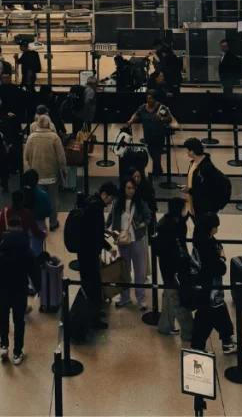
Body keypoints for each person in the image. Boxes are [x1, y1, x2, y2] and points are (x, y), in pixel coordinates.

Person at [0, 212, 40, 366]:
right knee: (19, 320)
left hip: (3, 289)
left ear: (8, 228)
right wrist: (37, 287)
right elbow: (34, 269)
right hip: (20, 288)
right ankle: (17, 352)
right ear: (21, 228)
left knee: (3, 314)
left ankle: (4, 346)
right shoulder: (26, 249)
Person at [190, 214, 240, 355]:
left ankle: (226, 341)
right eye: (216, 226)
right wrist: (222, 258)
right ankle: (198, 346)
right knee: (207, 317)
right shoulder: (207, 247)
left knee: (218, 313)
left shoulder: (201, 240)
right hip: (209, 289)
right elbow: (218, 268)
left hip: (205, 288)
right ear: (211, 228)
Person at [75, 182, 118, 330]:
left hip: (84, 251)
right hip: (89, 253)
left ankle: (94, 313)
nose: (109, 203)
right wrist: (109, 247)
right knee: (93, 286)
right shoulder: (96, 208)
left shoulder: (90, 201)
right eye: (109, 199)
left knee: (90, 284)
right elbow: (96, 235)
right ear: (104, 194)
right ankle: (93, 319)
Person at [106, 178, 151, 311]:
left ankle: (140, 298)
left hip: (136, 239)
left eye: (132, 188)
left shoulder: (140, 202)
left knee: (139, 271)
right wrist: (105, 227)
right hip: (122, 239)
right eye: (128, 188)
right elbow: (111, 217)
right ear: (123, 189)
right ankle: (125, 297)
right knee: (124, 270)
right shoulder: (117, 202)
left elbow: (148, 217)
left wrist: (142, 224)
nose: (131, 191)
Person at [154, 198, 194, 339]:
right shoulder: (173, 228)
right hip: (174, 270)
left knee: (169, 296)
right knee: (179, 300)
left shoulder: (168, 222)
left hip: (167, 269)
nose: (186, 211)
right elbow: (177, 250)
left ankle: (165, 326)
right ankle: (189, 332)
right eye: (184, 208)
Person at [24, 114, 66, 231]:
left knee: (37, 199)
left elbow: (26, 156)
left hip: (37, 175)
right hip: (52, 175)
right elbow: (61, 158)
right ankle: (53, 223)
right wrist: (64, 171)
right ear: (49, 124)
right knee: (53, 199)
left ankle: (37, 223)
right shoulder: (54, 137)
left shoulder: (31, 137)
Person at [125, 89, 172, 179]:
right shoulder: (143, 107)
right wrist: (131, 120)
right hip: (148, 135)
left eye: (151, 98)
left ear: (155, 99)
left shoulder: (161, 108)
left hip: (159, 135)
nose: (149, 100)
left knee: (157, 153)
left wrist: (161, 118)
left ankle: (156, 173)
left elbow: (169, 119)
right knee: (151, 152)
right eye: (148, 98)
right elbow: (136, 114)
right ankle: (158, 169)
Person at [182, 139, 228, 218]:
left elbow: (206, 190)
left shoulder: (207, 169)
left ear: (192, 152)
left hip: (203, 208)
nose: (186, 152)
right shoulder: (193, 163)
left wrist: (189, 190)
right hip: (193, 204)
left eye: (187, 150)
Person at [22, 171, 51, 255]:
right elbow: (48, 212)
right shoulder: (43, 195)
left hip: (23, 226)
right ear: (37, 180)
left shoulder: (20, 195)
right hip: (39, 225)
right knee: (37, 253)